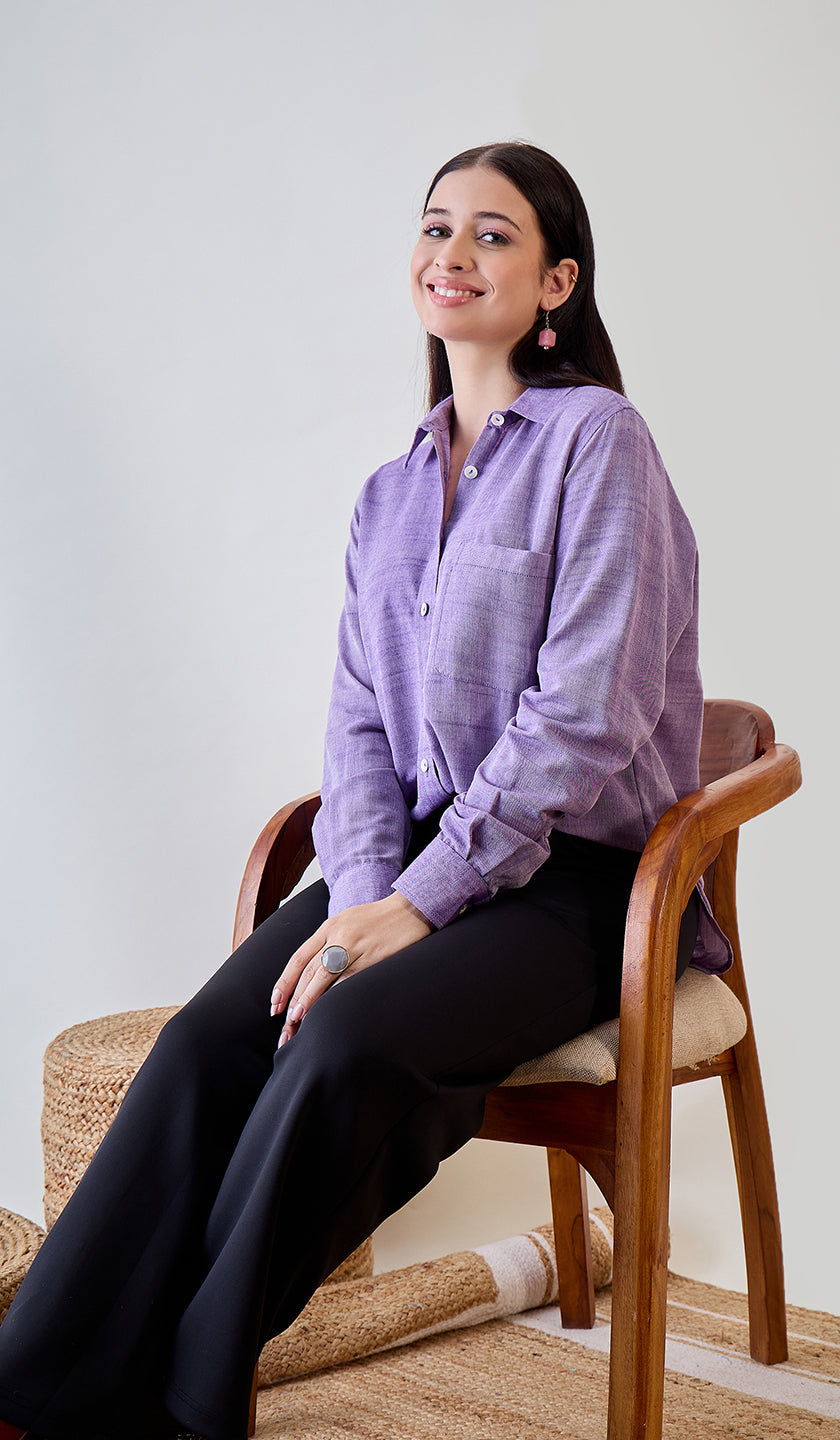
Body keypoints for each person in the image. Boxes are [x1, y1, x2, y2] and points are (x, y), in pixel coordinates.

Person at [0, 141, 726, 1440]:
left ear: (558, 282)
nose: (454, 253)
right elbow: (359, 729)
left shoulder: (599, 442)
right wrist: (368, 897)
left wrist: (422, 904)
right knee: (206, 1045)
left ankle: (182, 1404)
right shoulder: (389, 493)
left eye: (493, 234)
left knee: (346, 1043)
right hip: (412, 870)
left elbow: (588, 717)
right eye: (437, 227)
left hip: (581, 887)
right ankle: (35, 1393)